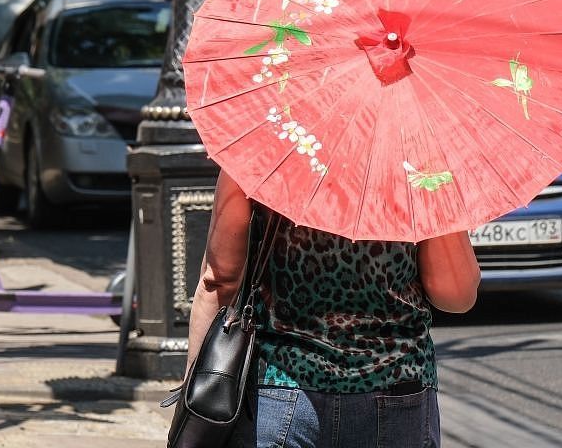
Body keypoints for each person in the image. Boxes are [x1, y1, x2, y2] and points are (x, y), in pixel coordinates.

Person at [187, 170, 481, 448]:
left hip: (280, 385)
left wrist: (193, 390)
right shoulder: (418, 160)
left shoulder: (267, 146)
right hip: (396, 384)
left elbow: (219, 279)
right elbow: (456, 295)